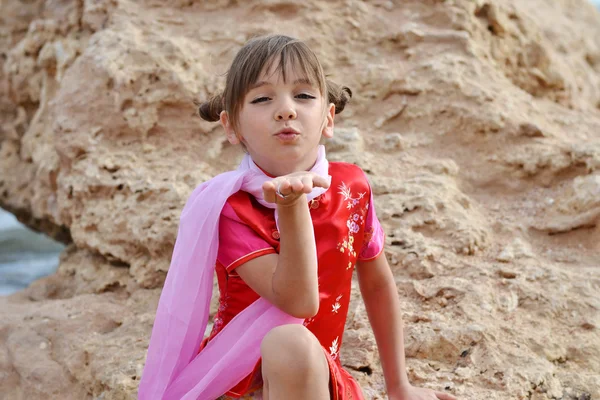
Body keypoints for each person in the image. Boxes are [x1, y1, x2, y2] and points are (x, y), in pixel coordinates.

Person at [138, 34, 458, 400]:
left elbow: (378, 283)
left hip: (315, 380)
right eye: (262, 98)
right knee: (287, 340)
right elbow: (299, 302)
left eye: (304, 96)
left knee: (295, 347)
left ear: (328, 118)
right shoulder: (231, 208)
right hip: (241, 384)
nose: (286, 110)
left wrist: (399, 386)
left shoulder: (350, 186)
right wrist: (292, 207)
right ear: (231, 126)